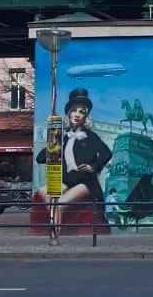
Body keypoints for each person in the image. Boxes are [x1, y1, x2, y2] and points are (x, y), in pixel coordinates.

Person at [35, 88, 112, 243]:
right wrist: (52, 139)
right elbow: (41, 158)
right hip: (67, 180)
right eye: (74, 111)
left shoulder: (90, 136)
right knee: (44, 194)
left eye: (82, 112)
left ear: (86, 116)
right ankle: (54, 228)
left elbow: (106, 153)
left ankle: (55, 237)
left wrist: (94, 167)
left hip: (85, 182)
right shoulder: (62, 137)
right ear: (68, 114)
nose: (77, 114)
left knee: (58, 203)